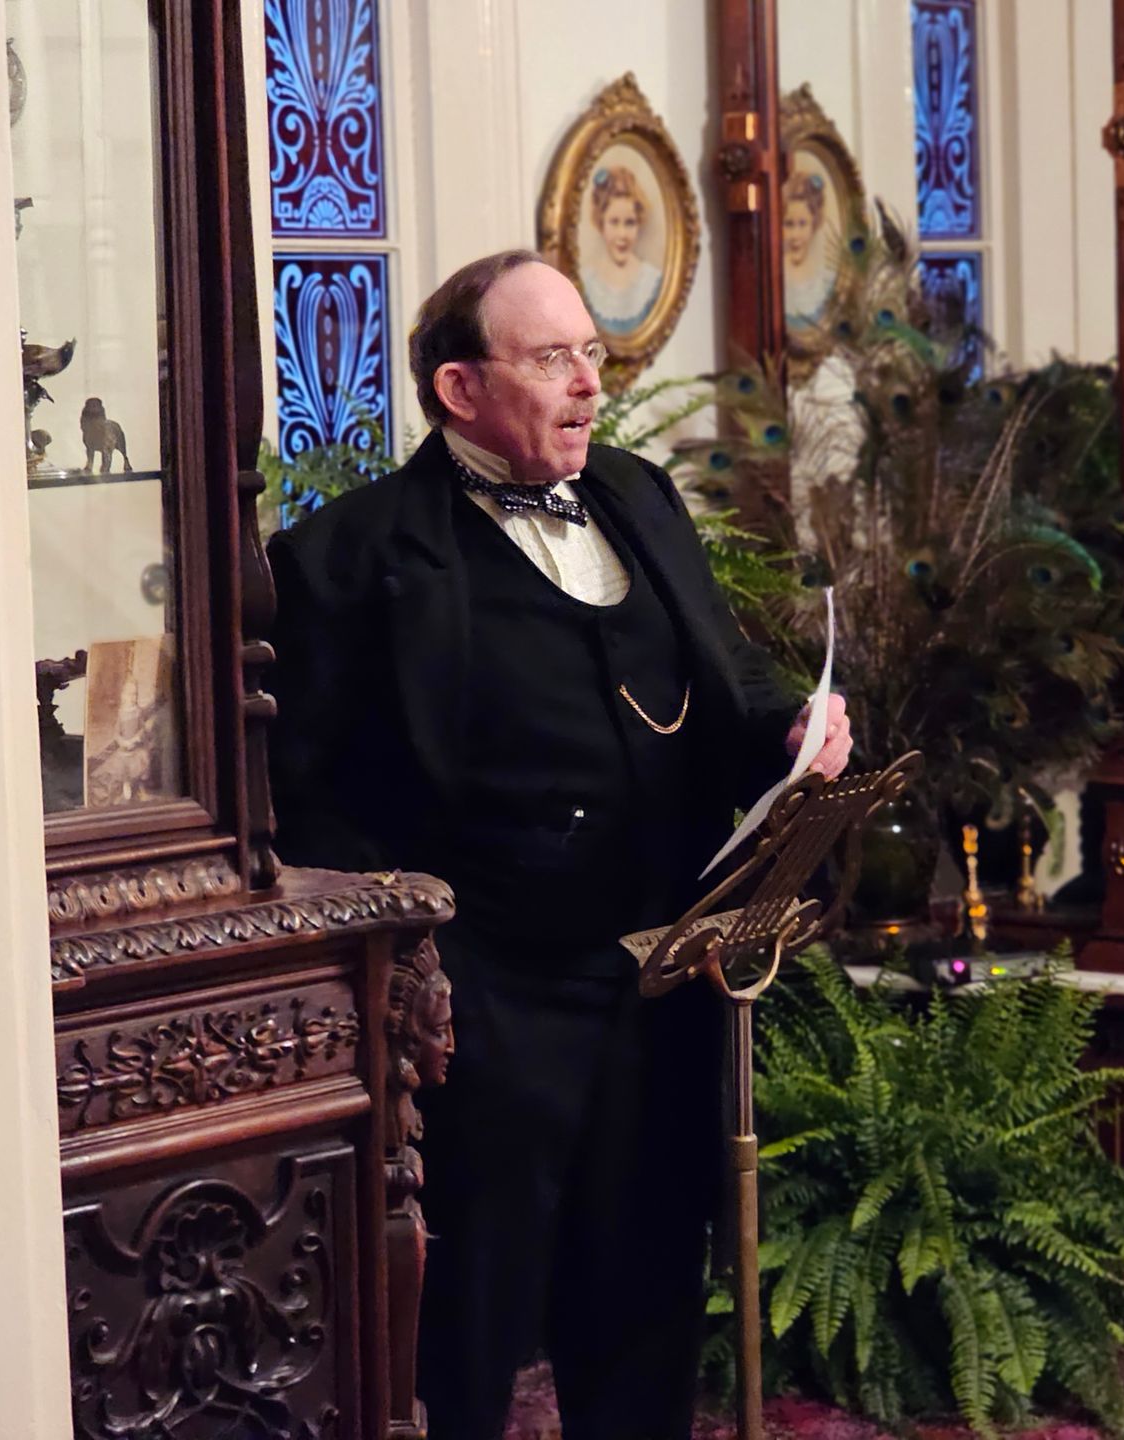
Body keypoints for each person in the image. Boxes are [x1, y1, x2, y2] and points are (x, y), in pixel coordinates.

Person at [266, 250, 850, 1440]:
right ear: (460, 390)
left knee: (640, 1303)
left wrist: (790, 722)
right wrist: (421, 973)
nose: (590, 385)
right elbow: (306, 807)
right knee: (468, 1325)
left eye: (593, 354)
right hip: (486, 1001)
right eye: (552, 360)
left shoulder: (640, 493)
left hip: (661, 972)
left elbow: (724, 676)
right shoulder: (347, 561)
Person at [580, 165, 662, 333]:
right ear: (601, 223)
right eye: (614, 222)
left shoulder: (653, 283)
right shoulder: (586, 283)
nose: (622, 234)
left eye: (629, 223)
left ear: (639, 223)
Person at [782, 169, 836, 330]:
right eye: (789, 224)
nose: (795, 235)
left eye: (802, 224)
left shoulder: (826, 281)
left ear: (814, 224)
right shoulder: (772, 279)